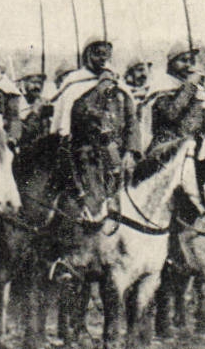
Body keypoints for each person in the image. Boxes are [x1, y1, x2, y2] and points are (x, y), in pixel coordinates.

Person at [45, 36, 139, 217]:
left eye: (107, 53)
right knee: (94, 205)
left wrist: (131, 151)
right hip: (85, 155)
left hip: (118, 154)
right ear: (87, 55)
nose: (103, 58)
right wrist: (101, 88)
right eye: (98, 53)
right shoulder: (75, 83)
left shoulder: (119, 85)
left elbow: (132, 121)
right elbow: (83, 115)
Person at [141, 42, 205, 158]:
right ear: (172, 62)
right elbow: (170, 114)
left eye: (191, 61)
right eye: (183, 60)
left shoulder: (197, 88)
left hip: (193, 145)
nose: (188, 65)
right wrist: (189, 86)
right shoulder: (162, 84)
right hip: (166, 145)